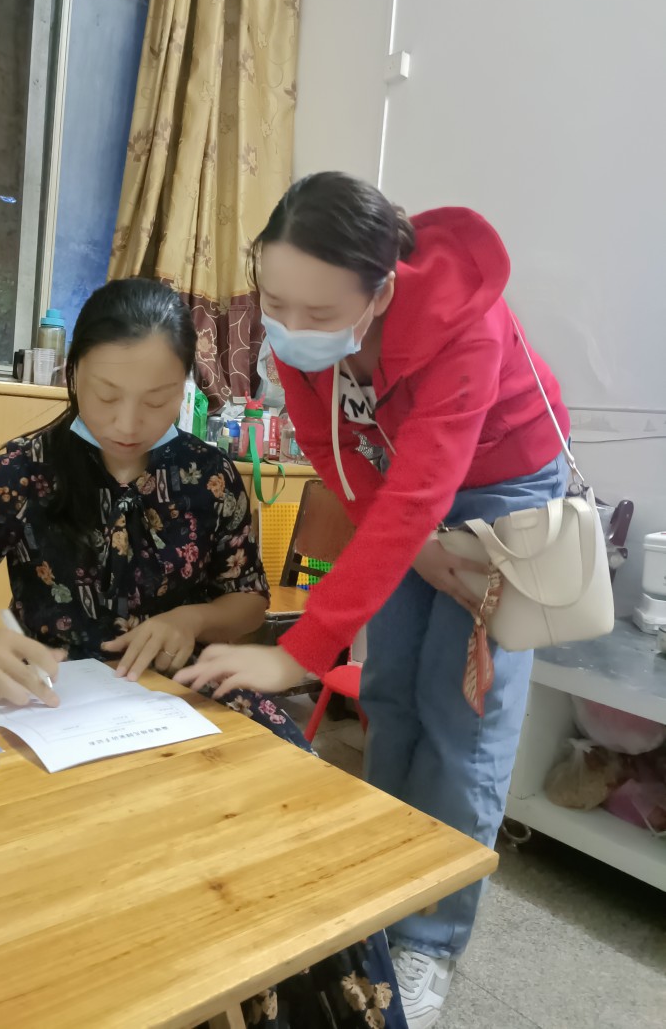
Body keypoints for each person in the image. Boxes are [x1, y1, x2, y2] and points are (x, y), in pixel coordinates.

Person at [0, 276, 408, 1029]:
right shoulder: (24, 469)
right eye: (105, 396)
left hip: (190, 695)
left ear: (187, 388)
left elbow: (248, 598)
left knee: (297, 814)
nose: (128, 423)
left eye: (158, 400)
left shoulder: (209, 474)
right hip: (52, 708)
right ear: (73, 375)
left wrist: (193, 618)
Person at [177, 174, 571, 1028]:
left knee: (462, 712)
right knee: (390, 694)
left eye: (319, 313)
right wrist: (413, 551)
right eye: (275, 302)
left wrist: (297, 650)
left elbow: (426, 488)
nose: (291, 327)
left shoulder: (464, 325)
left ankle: (429, 941)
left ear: (380, 292)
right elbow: (334, 453)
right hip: (397, 488)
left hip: (501, 485)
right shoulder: (300, 318)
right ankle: (379, 890)